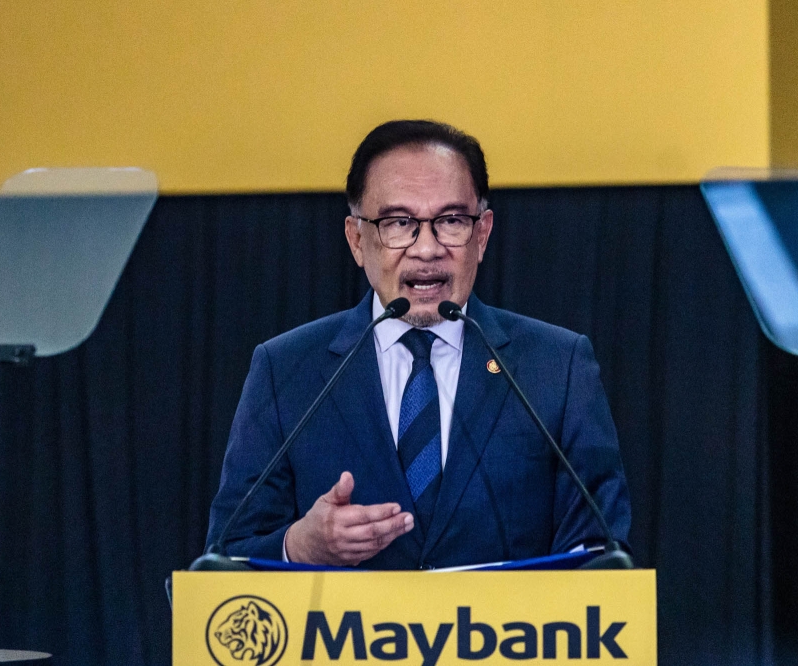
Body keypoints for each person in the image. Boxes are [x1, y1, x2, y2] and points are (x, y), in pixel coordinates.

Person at [206, 120, 630, 569]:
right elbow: (224, 558)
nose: (426, 249)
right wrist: (299, 547)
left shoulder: (556, 367)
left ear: (482, 234)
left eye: (450, 221)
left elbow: (600, 557)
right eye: (398, 222)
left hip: (505, 639)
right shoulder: (286, 370)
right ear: (356, 239)